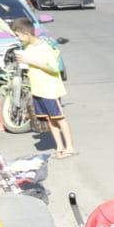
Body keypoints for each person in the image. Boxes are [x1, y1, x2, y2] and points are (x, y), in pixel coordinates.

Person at [12, 18, 76, 159]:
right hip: (38, 89)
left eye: (18, 35)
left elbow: (53, 67)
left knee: (59, 118)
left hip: (50, 89)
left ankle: (70, 147)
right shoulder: (28, 47)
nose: (18, 39)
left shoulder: (44, 47)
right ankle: (59, 146)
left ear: (26, 34)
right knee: (49, 120)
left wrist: (30, 61)